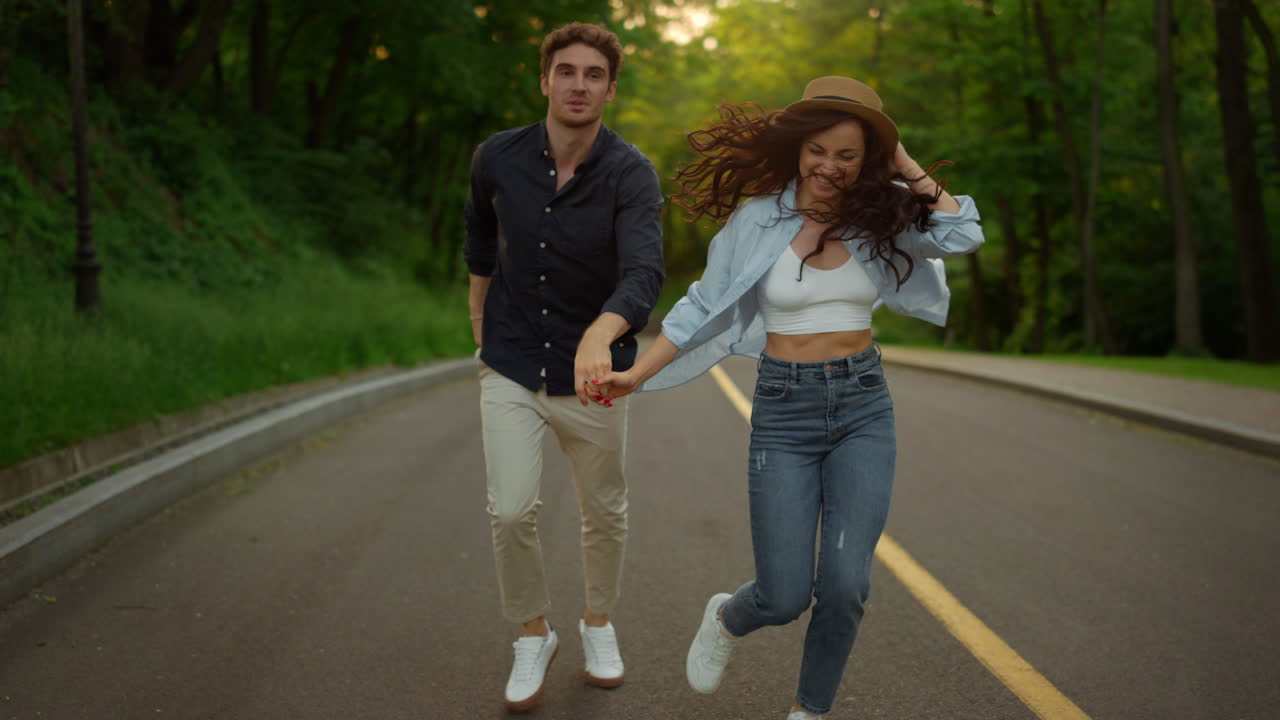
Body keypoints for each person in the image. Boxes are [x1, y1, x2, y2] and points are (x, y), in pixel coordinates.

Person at [590, 76, 984, 719]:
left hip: (863, 405)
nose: (830, 167)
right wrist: (635, 372)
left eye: (849, 155)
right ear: (800, 148)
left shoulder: (884, 213)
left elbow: (964, 234)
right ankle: (727, 617)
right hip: (783, 412)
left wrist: (903, 163)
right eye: (819, 151)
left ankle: (810, 710)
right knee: (781, 595)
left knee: (848, 585)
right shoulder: (758, 219)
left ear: (870, 160)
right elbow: (699, 309)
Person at [462, 21, 665, 712]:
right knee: (511, 508)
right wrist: (479, 330)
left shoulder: (631, 172)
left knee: (602, 512)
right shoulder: (496, 158)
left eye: (594, 74)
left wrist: (601, 333)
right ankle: (532, 634)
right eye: (568, 71)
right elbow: (481, 245)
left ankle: (598, 624)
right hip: (512, 360)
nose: (580, 84)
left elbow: (643, 272)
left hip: (594, 374)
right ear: (545, 78)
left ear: (610, 86)